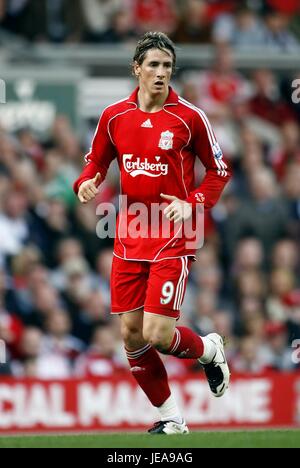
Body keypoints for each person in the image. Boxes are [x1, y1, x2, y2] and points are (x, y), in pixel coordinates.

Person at [74, 31, 231, 435]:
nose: (161, 73)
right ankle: (171, 418)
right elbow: (95, 163)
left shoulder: (189, 117)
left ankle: (209, 350)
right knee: (130, 335)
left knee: (157, 334)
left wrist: (193, 202)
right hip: (129, 233)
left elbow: (219, 170)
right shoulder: (114, 116)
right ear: (137, 69)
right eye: (153, 65)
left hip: (175, 235)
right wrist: (84, 183)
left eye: (167, 66)